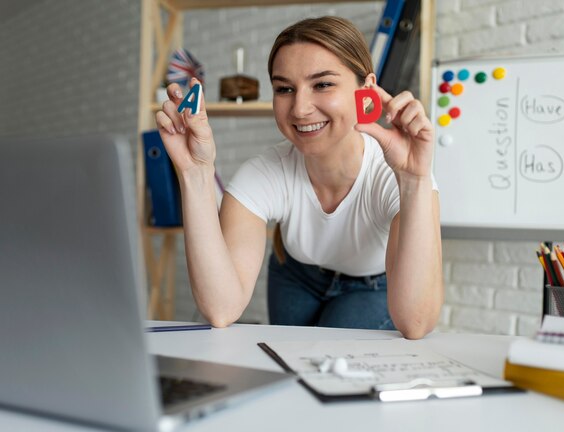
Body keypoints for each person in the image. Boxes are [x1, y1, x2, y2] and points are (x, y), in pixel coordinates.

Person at [155, 16, 443, 339]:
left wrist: (414, 181)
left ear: (367, 90)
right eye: (285, 88)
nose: (300, 108)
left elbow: (416, 323)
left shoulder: (395, 173)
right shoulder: (265, 172)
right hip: (295, 274)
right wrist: (195, 173)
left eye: (322, 84)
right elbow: (221, 308)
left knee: (332, 351)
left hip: (374, 284)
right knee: (291, 365)